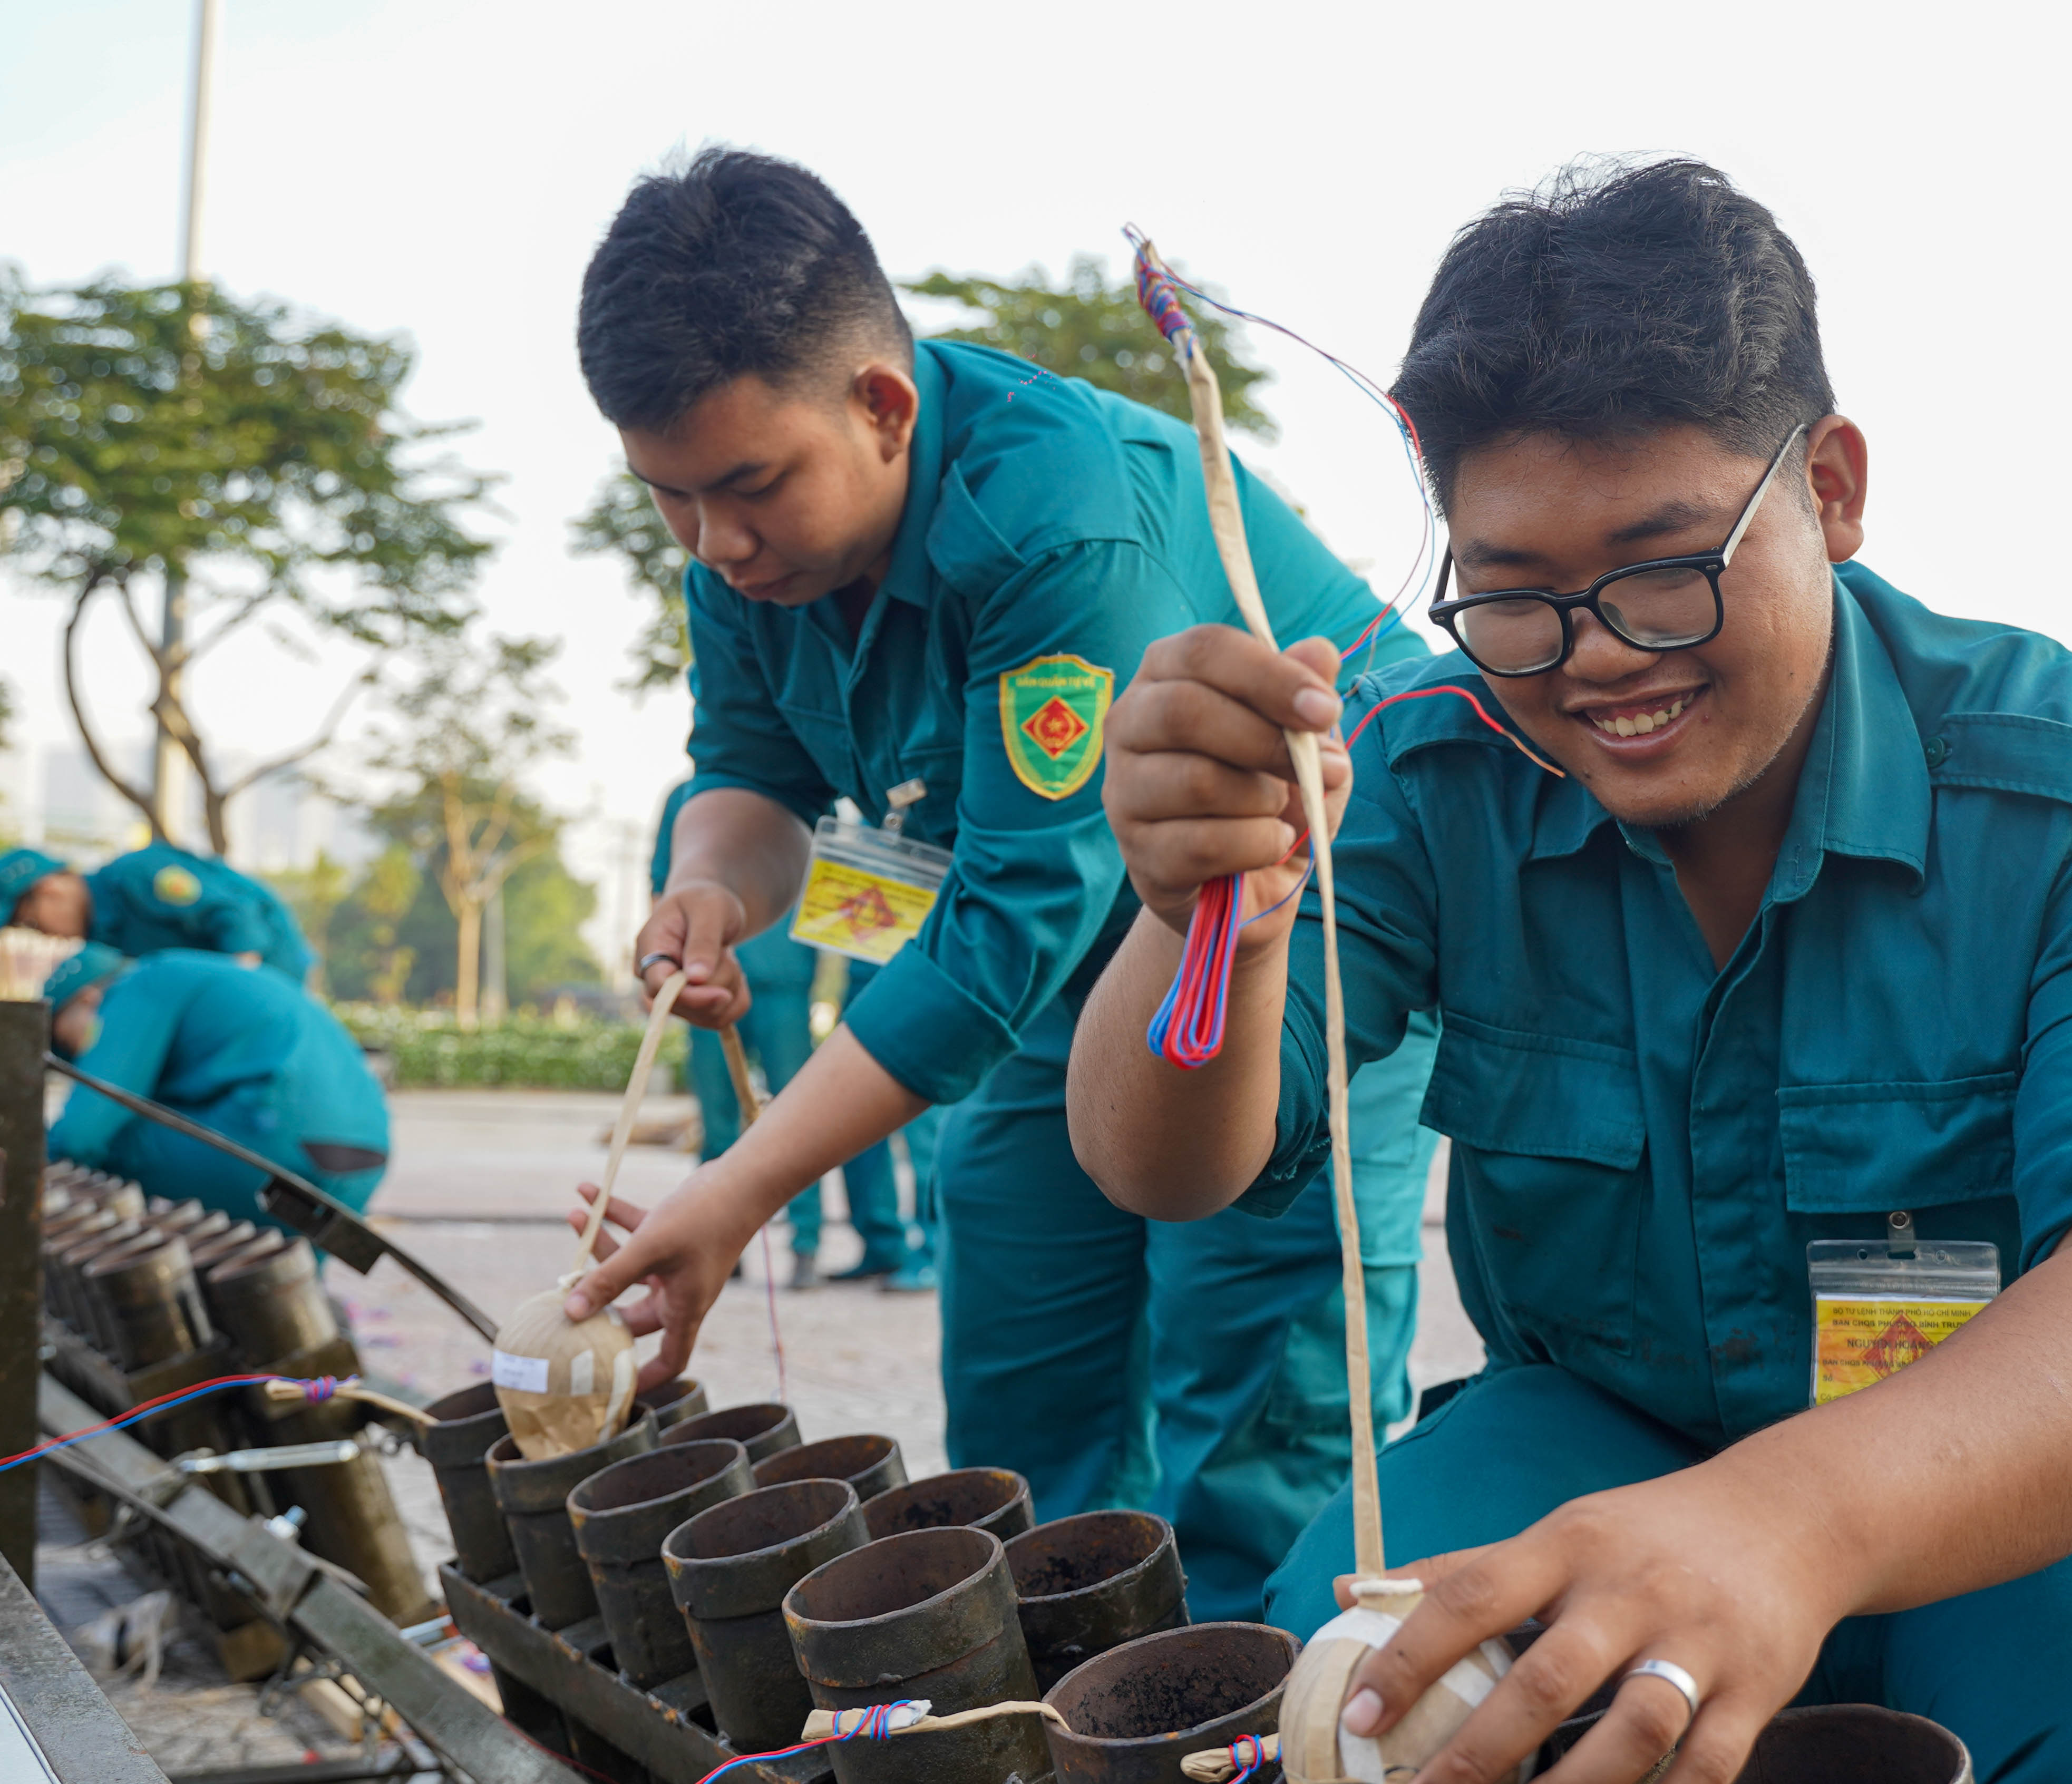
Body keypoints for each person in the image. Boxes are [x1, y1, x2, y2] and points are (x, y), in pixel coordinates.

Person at [1064, 158, 2072, 1784]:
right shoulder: (1423, 770)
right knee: (1357, 1705)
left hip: (2017, 1445)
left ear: (1834, 488)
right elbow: (1159, 1163)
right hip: (1605, 1424)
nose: (1596, 663)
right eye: (1514, 592)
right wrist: (1191, 917)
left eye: (1663, 572)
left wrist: (1784, 1522)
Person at [559, 148, 1440, 1620]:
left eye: (746, 488)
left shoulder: (1057, 516)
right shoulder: (743, 556)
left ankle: (1248, 1737)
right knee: (1025, 1360)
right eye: (670, 499)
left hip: (1287, 916)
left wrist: (735, 1191)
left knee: (1256, 1385)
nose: (713, 542)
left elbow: (1002, 928)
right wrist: (710, 884)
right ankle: (1057, 1692)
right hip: (1063, 943)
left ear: (882, 405)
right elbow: (753, 775)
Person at [654, 780, 932, 1292]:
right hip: (707, 978)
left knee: (796, 1116)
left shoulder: (811, 794)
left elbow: (840, 900)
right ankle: (715, 1238)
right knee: (717, 1120)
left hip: (786, 985)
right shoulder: (684, 799)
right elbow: (662, 889)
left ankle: (805, 1244)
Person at [46, 944, 388, 1229]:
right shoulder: (197, 976)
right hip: (361, 1164)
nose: (80, 1060)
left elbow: (82, 1134)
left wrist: (27, 1171)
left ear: (89, 999)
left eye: (67, 1041)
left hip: (284, 1153)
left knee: (112, 1142)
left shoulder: (139, 986)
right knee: (280, 1284)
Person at [0, 843, 314, 983]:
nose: (46, 935)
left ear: (51, 890)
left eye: (31, 923)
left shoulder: (137, 876)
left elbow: (235, 913)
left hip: (273, 971)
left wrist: (240, 994)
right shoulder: (105, 937)